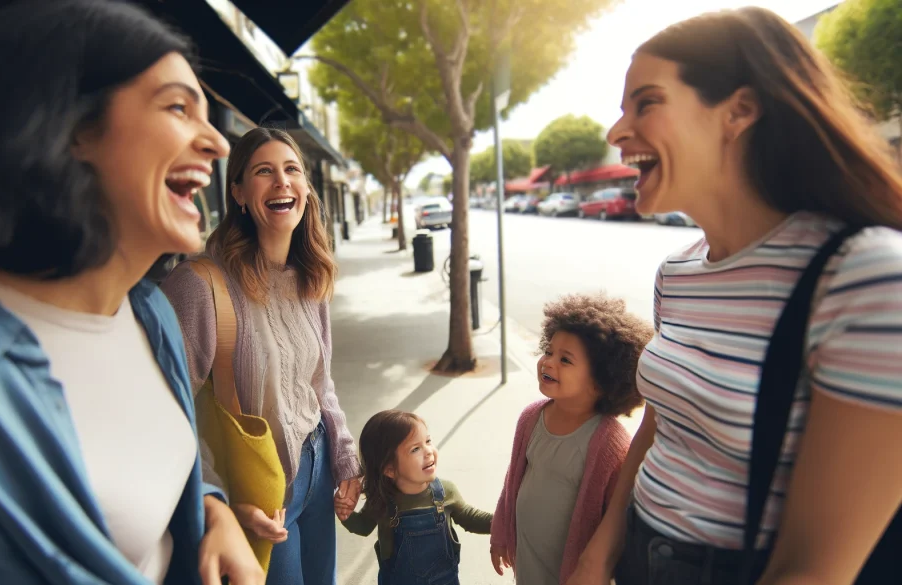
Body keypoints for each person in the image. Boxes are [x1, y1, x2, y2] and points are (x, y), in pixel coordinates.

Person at [0, 1, 264, 584]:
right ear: (66, 125)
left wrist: (211, 510)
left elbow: (136, 484)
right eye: (179, 107)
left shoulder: (147, 311)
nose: (216, 142)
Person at [567, 7, 902, 585]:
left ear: (740, 110)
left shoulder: (864, 278)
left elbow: (815, 570)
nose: (616, 132)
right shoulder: (676, 271)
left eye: (646, 103)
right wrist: (601, 551)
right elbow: (664, 421)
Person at [161, 126, 361, 585]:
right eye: (263, 172)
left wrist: (345, 455)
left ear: (307, 191)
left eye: (292, 170)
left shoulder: (311, 276)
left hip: (316, 467)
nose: (282, 182)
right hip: (256, 494)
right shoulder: (199, 285)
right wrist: (218, 501)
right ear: (239, 192)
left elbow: (320, 382)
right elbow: (167, 410)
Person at [490, 294, 651, 584]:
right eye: (549, 352)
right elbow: (512, 480)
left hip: (569, 573)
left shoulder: (608, 443)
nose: (549, 362)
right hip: (528, 561)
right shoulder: (531, 418)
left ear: (601, 381)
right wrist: (500, 534)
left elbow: (616, 519)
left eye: (565, 359)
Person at [337, 410, 493, 585]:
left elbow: (470, 518)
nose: (428, 451)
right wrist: (346, 514)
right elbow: (363, 526)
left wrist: (502, 523)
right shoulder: (383, 499)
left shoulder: (446, 492)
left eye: (428, 441)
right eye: (415, 449)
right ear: (389, 469)